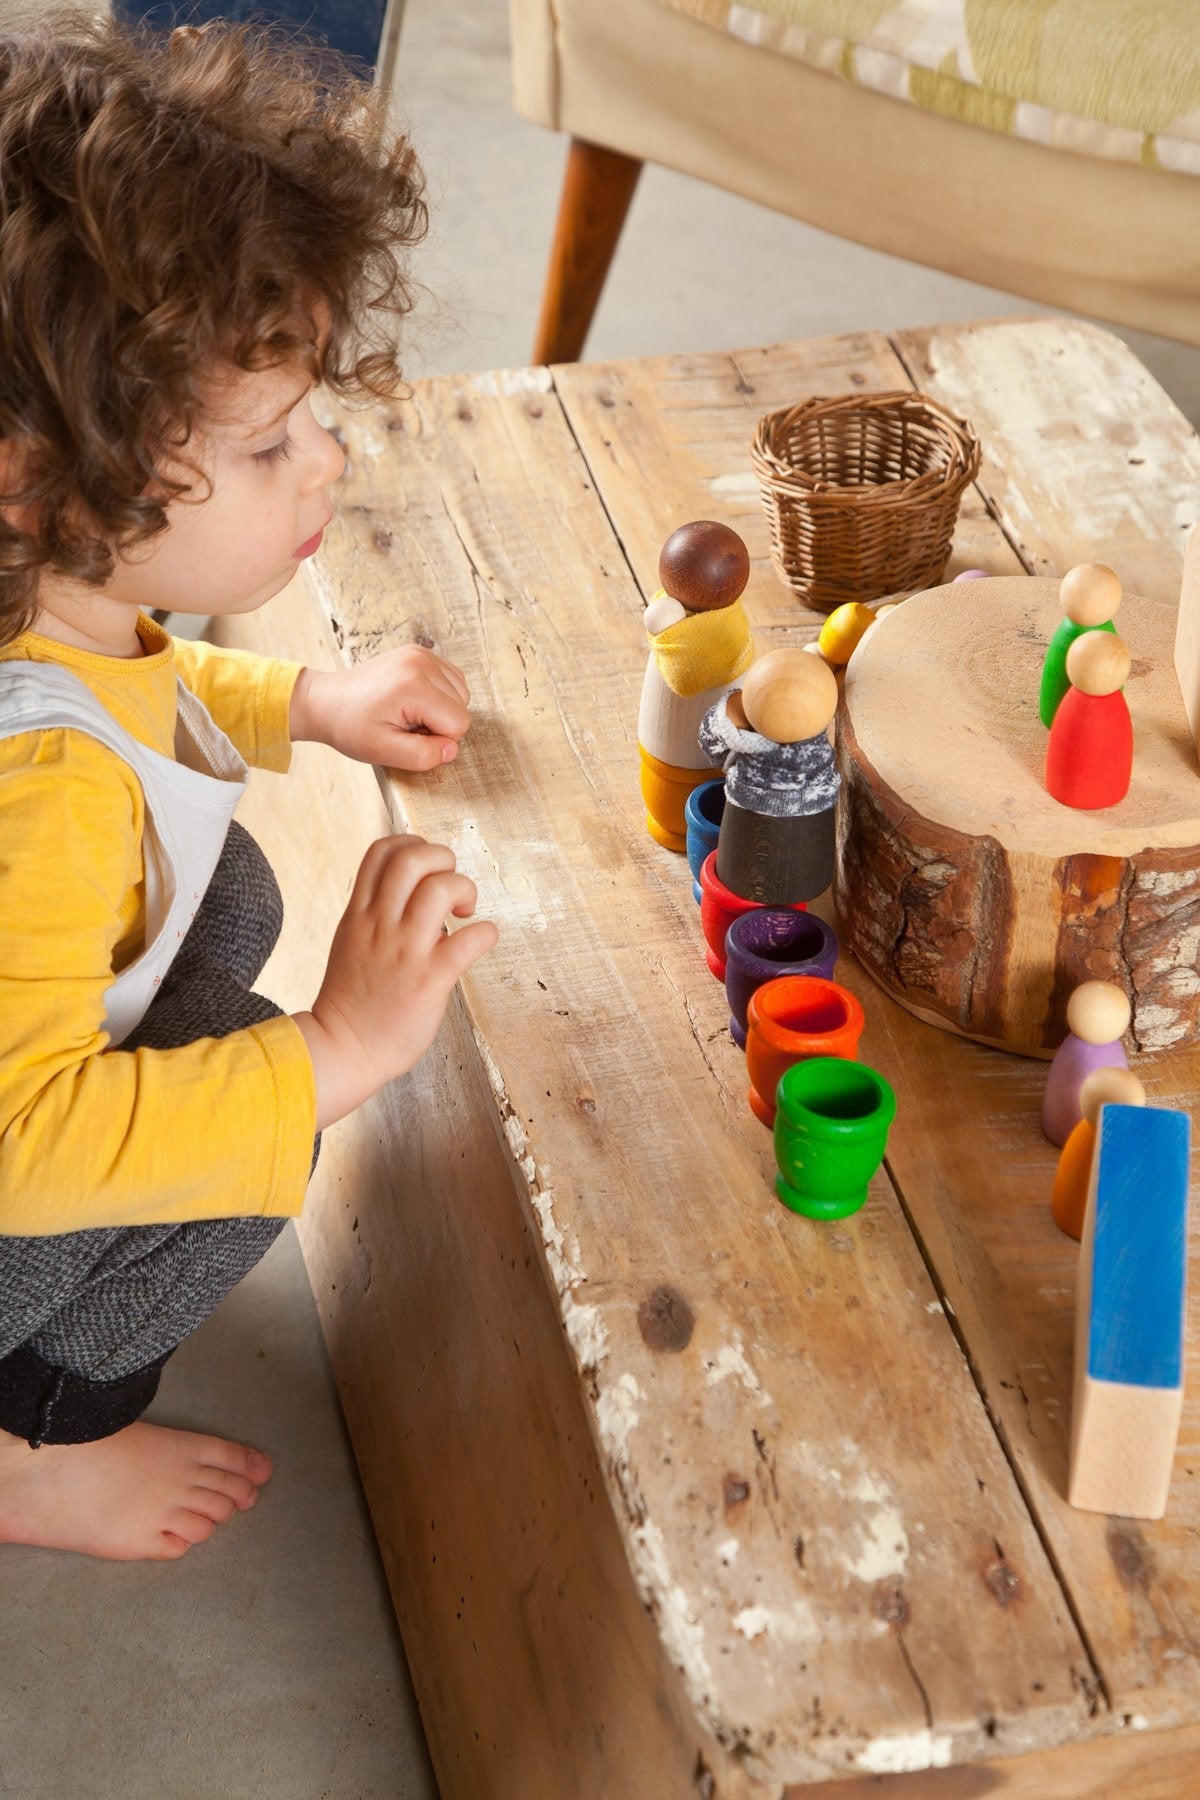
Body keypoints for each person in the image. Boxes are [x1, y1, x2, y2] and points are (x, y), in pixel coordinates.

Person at [0, 11, 498, 1561]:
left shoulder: (42, 604)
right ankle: (31, 1441)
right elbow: (22, 1148)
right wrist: (333, 1053)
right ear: (53, 481)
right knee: (258, 1129)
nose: (327, 464)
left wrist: (310, 704)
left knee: (229, 886)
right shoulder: (41, 800)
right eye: (276, 442)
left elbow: (122, 698)